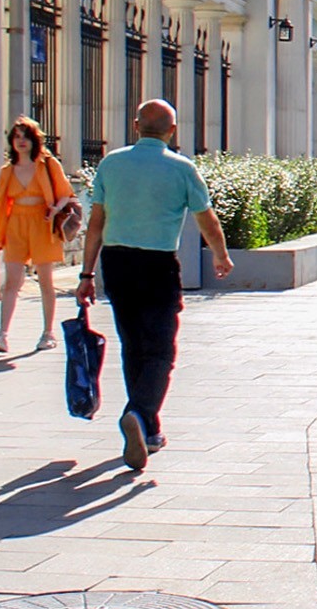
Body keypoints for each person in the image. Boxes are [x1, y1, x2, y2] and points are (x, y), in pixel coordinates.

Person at [78, 100, 232, 472]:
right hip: (158, 264)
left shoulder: (111, 164)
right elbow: (207, 219)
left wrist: (86, 275)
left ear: (136, 126)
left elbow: (96, 222)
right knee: (161, 350)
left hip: (116, 262)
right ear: (172, 131)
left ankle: (148, 429)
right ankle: (138, 412)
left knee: (133, 345)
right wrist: (221, 255)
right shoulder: (181, 168)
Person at [0, 117, 78, 354]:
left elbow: (65, 193)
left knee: (45, 281)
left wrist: (56, 209)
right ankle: (2, 334)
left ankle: (48, 333)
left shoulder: (47, 164)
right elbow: (0, 205)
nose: (21, 141)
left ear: (34, 140)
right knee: (12, 281)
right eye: (17, 137)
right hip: (15, 224)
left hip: (42, 222)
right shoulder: (7, 171)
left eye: (25, 136)